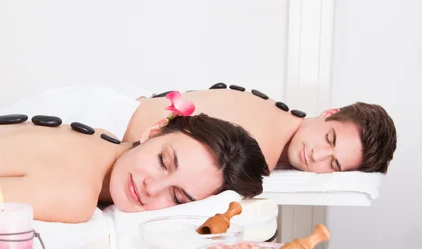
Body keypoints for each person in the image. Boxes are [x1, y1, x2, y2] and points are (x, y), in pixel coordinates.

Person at [0, 110, 269, 223]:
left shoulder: (101, 140)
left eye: (178, 197)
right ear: (155, 130)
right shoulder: (73, 198)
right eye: (164, 161)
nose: (152, 188)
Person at [122, 87, 397, 174]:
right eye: (330, 138)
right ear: (328, 114)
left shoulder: (279, 124)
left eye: (334, 163)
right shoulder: (262, 145)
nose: (317, 154)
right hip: (106, 123)